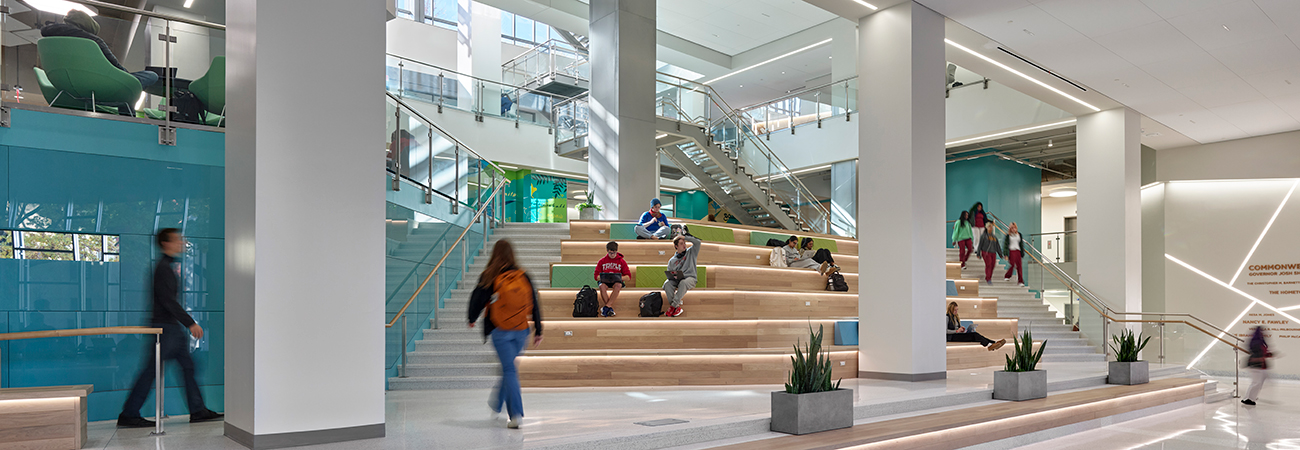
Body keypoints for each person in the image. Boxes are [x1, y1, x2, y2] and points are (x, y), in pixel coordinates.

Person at [119, 228, 222, 427]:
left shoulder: (167, 266)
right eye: (178, 240)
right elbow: (168, 301)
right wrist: (190, 323)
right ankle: (129, 413)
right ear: (166, 243)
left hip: (169, 328)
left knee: (187, 366)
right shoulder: (163, 268)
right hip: (165, 329)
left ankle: (198, 410)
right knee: (152, 371)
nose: (182, 243)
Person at [468, 239, 544, 429]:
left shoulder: (490, 275)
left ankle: (516, 415)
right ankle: (496, 403)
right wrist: (538, 330)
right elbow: (534, 301)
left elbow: (477, 298)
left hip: (499, 330)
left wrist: (471, 318)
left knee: (509, 370)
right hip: (521, 331)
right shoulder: (523, 275)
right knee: (509, 368)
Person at [41, 10, 159, 91]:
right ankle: (128, 117)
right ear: (88, 27)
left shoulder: (50, 40)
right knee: (151, 75)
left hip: (65, 85)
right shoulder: (93, 42)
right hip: (98, 84)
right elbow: (116, 66)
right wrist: (128, 79)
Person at [662, 229, 701, 317]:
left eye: (684, 243)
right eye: (681, 243)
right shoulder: (672, 260)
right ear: (676, 246)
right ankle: (677, 308)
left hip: (690, 279)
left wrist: (683, 237)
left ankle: (672, 307)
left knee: (683, 283)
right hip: (677, 280)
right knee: (667, 283)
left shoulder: (691, 252)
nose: (684, 245)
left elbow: (698, 242)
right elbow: (670, 275)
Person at [593, 241, 631, 317]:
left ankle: (606, 307)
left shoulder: (622, 261)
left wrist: (619, 277)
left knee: (618, 285)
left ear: (617, 251)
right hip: (605, 282)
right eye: (610, 253)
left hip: (617, 282)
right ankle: (609, 308)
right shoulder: (602, 261)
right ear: (607, 251)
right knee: (602, 286)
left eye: (614, 253)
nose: (612, 255)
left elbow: (628, 277)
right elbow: (596, 276)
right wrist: (603, 276)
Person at [1242, 326, 1274, 406]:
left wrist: (1268, 354)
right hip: (1256, 365)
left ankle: (1252, 398)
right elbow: (1256, 353)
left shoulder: (1261, 342)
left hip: (1261, 366)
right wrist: (1261, 357)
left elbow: (1263, 353)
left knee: (1258, 383)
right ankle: (1247, 398)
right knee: (1256, 382)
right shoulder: (1256, 342)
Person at [1002, 222, 1026, 286]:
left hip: (1018, 251)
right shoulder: (1008, 236)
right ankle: (1007, 276)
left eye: (1014, 228)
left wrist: (1022, 252)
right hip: (1011, 251)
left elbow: (1021, 244)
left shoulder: (1019, 235)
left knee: (1019, 266)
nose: (1013, 229)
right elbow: (1005, 245)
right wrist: (1005, 254)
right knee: (1012, 264)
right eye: (1012, 228)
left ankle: (1020, 281)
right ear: (1010, 228)